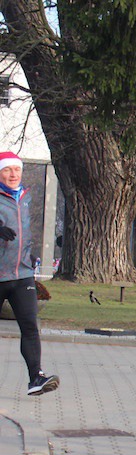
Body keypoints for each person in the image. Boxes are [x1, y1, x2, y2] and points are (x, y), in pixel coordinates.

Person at [0, 152, 58, 396]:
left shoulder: (25, 196)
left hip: (22, 274)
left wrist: (28, 254)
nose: (13, 174)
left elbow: (24, 232)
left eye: (17, 170)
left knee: (30, 326)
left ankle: (36, 378)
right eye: (7, 170)